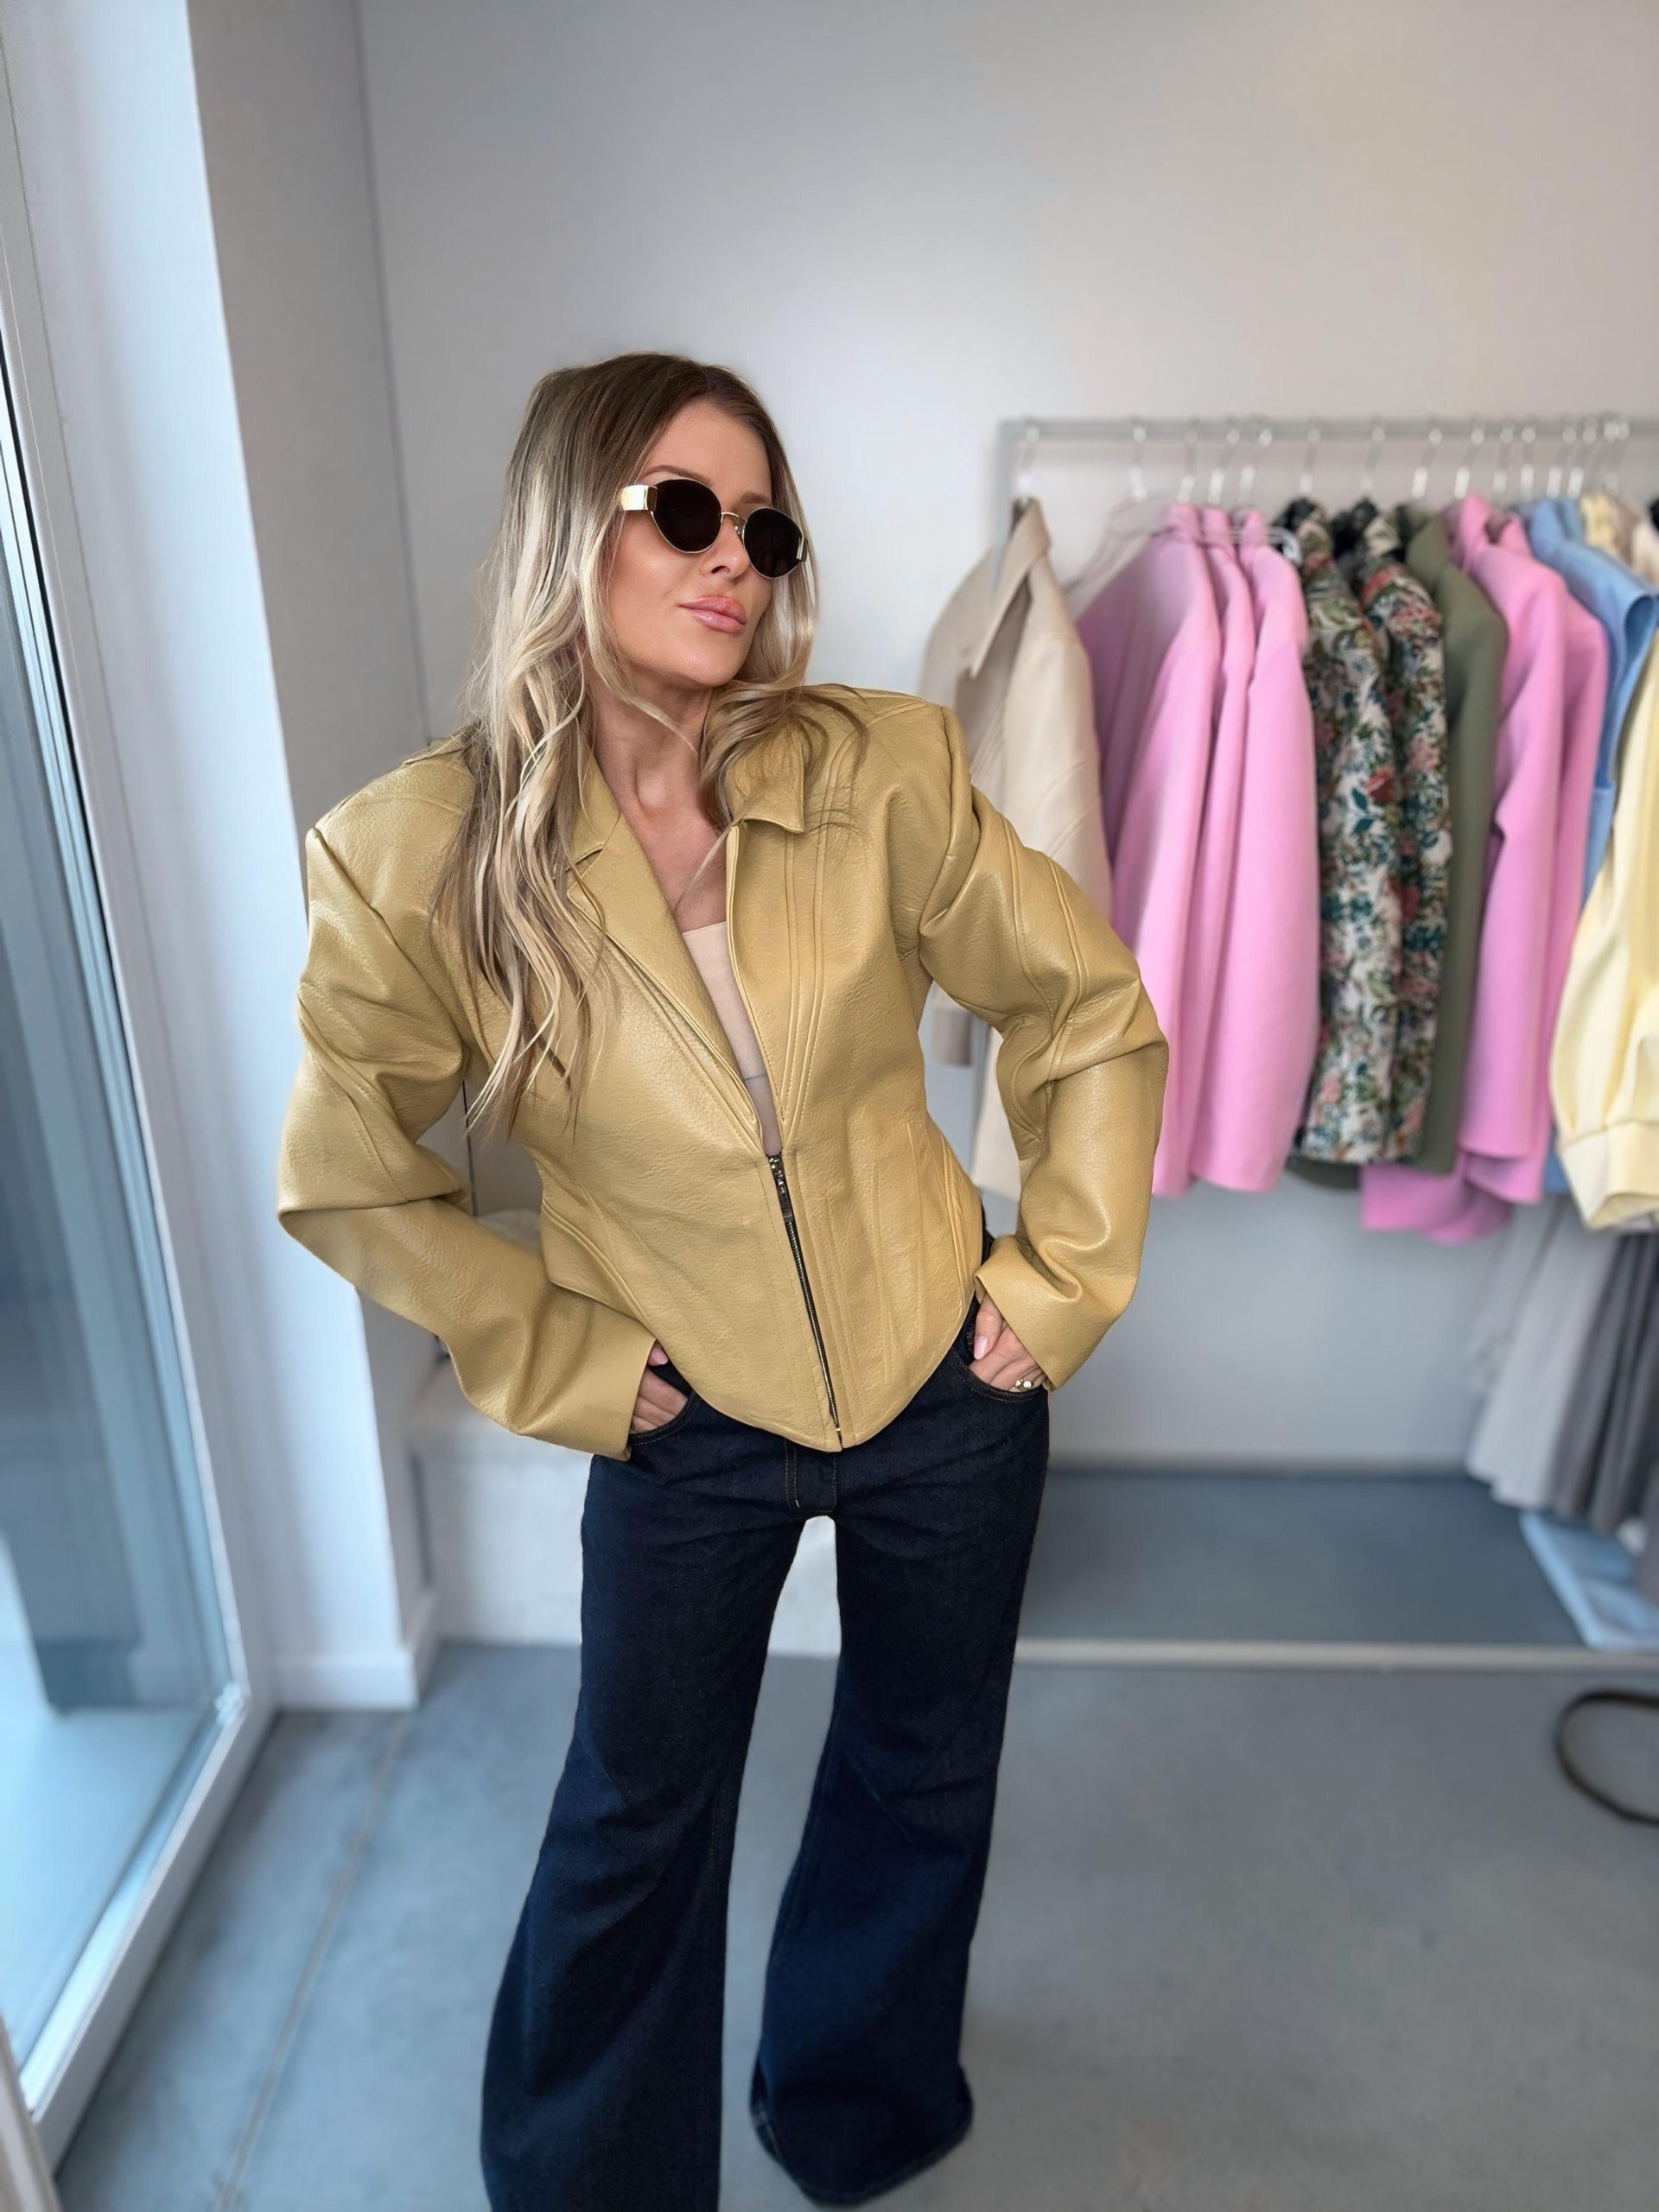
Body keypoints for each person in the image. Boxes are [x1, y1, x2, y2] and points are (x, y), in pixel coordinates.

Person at [275, 351, 1166, 2212]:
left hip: (946, 1380)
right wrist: (565, 1360)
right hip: (684, 1415)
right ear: (568, 524)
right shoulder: (419, 858)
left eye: (763, 526)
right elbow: (348, 1172)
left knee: (923, 1772)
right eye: (684, 509)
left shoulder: (877, 768)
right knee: (633, 1820)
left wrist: (1061, 1280)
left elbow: (1085, 1008)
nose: (732, 558)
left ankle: (856, 2111)